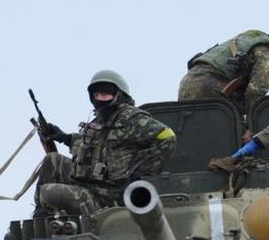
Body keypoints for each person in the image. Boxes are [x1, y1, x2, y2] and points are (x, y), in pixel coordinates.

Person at [33, 70, 176, 217]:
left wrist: (142, 175)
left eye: (106, 94)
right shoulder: (102, 119)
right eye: (97, 95)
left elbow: (166, 136)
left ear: (119, 95)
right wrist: (64, 137)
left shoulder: (131, 119)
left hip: (108, 198)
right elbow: (93, 147)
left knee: (48, 192)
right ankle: (40, 217)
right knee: (52, 160)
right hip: (90, 183)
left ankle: (47, 226)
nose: (100, 99)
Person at [179, 25, 269, 115]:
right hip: (212, 89)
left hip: (188, 83)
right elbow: (256, 91)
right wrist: (252, 125)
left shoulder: (252, 37)